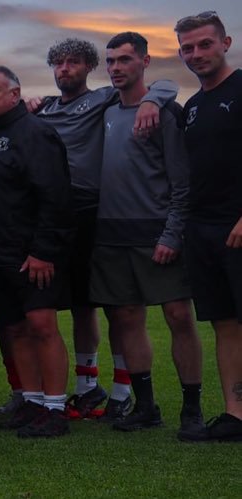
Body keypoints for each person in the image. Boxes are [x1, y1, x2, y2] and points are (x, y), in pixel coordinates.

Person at [34, 37, 178, 420]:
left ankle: (122, 390)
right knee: (81, 305)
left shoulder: (104, 100)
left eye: (74, 63)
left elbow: (162, 85)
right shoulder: (44, 107)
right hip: (57, 215)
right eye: (59, 63)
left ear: (88, 68)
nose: (65, 69)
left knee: (118, 307)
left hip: (95, 210)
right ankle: (86, 387)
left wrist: (152, 99)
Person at [92, 32, 204, 436]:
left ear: (145, 61)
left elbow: (182, 182)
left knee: (178, 317)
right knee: (126, 320)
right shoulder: (104, 106)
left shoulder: (164, 112)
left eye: (125, 60)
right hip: (110, 235)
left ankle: (191, 408)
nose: (117, 67)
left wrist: (172, 234)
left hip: (157, 233)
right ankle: (145, 407)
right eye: (111, 61)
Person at [0, 66, 74, 438]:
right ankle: (32, 400)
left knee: (42, 326)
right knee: (15, 330)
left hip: (31, 255)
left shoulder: (35, 132)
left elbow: (55, 195)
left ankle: (56, 407)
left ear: (16, 94)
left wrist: (44, 250)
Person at [174, 10, 242, 442]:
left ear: (226, 43)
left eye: (204, 44)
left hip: (237, 225)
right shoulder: (194, 106)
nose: (196, 54)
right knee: (225, 322)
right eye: (187, 48)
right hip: (202, 228)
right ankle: (236, 414)